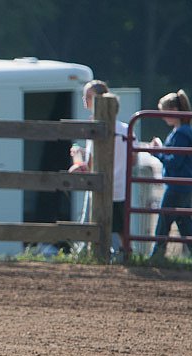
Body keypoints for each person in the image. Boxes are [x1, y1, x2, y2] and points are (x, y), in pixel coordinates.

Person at [82, 80, 129, 253]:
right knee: (123, 230)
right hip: (121, 187)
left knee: (93, 224)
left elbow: (90, 164)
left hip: (101, 185)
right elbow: (133, 159)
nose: (85, 101)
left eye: (88, 97)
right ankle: (126, 257)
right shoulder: (126, 129)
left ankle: (93, 254)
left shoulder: (94, 128)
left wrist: (78, 160)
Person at [149, 89, 192, 259]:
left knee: (164, 221)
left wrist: (158, 153)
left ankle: (157, 255)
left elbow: (174, 161)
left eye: (164, 112)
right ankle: (158, 255)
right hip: (182, 184)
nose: (163, 117)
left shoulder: (181, 133)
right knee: (184, 223)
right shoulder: (184, 131)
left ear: (174, 111)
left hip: (176, 185)